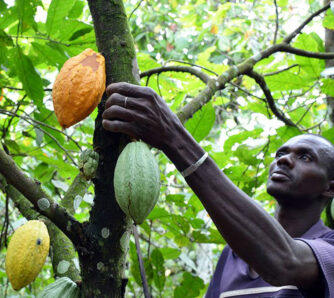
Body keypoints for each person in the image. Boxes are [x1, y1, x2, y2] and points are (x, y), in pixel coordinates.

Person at [102, 82, 334, 297]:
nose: (283, 161)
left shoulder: (329, 249)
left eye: (305, 157)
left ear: (330, 188)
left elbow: (285, 261)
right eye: (281, 154)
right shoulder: (232, 255)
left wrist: (174, 138)